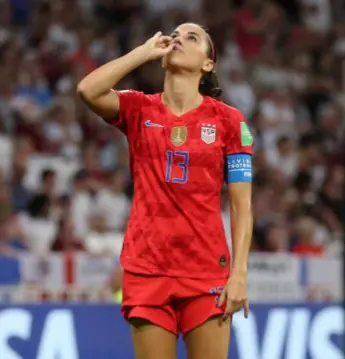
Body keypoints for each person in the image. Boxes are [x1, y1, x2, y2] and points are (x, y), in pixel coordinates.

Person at [77, 23, 254, 359]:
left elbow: (241, 205)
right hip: (147, 269)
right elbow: (88, 90)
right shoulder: (139, 108)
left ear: (207, 65)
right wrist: (143, 53)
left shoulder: (229, 122)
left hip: (205, 271)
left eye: (192, 38)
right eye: (176, 35)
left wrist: (240, 274)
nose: (179, 39)